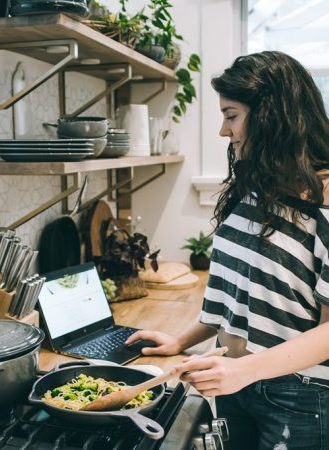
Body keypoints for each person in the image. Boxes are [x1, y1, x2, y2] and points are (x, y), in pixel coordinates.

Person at [126, 51, 329, 450]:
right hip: (236, 380)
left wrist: (246, 370)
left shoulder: (324, 204)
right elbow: (240, 295)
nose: (223, 130)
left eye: (231, 115)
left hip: (299, 398)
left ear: (272, 115)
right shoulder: (258, 190)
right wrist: (181, 341)